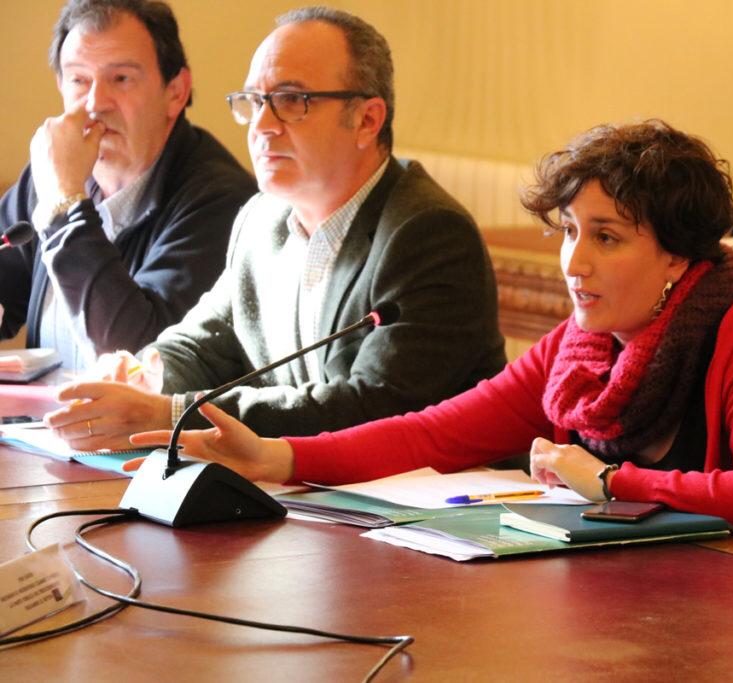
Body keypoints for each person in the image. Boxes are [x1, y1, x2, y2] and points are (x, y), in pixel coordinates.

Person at [131, 120, 733, 541]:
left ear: (677, 255)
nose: (574, 263)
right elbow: (435, 433)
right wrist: (277, 457)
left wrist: (613, 481)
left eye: (607, 238)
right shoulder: (579, 350)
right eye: (569, 232)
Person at [45, 6, 506, 451]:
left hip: (433, 497)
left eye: (290, 101)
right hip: (300, 491)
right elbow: (203, 345)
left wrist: (171, 413)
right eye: (254, 101)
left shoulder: (427, 233)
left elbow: (372, 409)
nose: (262, 125)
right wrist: (141, 377)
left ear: (367, 120)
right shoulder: (261, 218)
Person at [0, 0, 256, 371]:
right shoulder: (52, 171)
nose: (95, 103)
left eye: (121, 79)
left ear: (176, 91)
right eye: (79, 80)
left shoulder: (221, 201)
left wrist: (65, 205)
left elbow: (138, 357)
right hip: (38, 410)